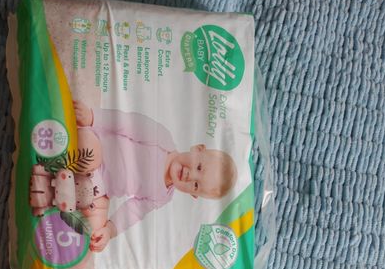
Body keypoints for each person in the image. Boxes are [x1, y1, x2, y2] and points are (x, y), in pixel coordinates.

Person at [30, 101, 237, 252]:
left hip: (100, 189)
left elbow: (134, 211)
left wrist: (110, 230)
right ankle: (60, 179)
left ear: (193, 194)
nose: (190, 176)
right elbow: (128, 123)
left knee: (93, 227)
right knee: (87, 148)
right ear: (198, 149)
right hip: (98, 148)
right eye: (199, 167)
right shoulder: (163, 139)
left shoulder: (163, 196)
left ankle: (59, 196)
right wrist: (93, 117)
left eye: (196, 185)